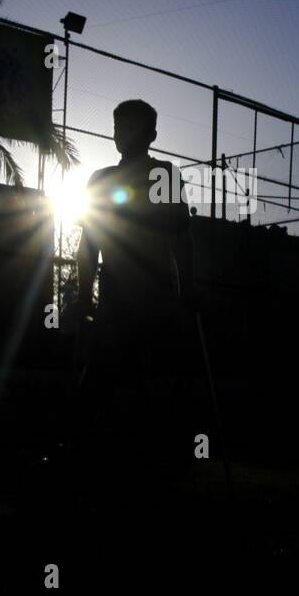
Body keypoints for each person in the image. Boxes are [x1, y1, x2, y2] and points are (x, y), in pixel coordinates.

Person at [61, 100, 197, 462]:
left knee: (149, 376)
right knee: (105, 373)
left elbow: (181, 237)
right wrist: (85, 294)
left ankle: (150, 454)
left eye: (133, 127)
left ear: (151, 135)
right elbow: (88, 243)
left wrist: (187, 290)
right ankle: (91, 450)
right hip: (117, 292)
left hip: (156, 292)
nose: (123, 134)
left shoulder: (163, 175)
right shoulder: (101, 179)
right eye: (119, 126)